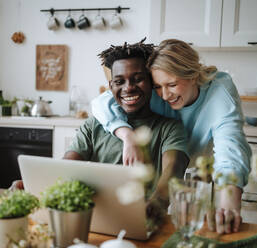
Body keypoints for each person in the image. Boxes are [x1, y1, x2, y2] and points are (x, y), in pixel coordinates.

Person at [91, 39, 252, 234]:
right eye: (158, 86)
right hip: (167, 171)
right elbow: (101, 103)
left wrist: (229, 203)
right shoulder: (155, 92)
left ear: (193, 75)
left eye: (172, 84)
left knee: (204, 229)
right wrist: (128, 136)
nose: (165, 95)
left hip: (202, 175)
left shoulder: (220, 91)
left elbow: (231, 148)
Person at [64, 40, 189, 216]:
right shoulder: (93, 125)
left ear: (151, 82)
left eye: (138, 79)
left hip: (145, 218)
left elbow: (174, 170)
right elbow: (65, 168)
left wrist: (155, 204)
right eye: (119, 81)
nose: (128, 88)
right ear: (111, 86)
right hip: (92, 216)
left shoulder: (169, 128)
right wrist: (31, 184)